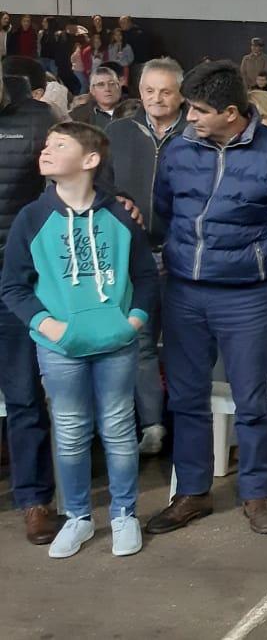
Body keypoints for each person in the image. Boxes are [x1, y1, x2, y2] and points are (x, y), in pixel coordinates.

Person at [145, 60, 267, 537]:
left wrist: (265, 264)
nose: (190, 120)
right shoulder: (180, 150)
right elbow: (163, 212)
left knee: (252, 400)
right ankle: (193, 492)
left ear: (231, 111)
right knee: (185, 397)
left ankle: (256, 495)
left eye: (199, 111)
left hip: (246, 297)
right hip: (184, 291)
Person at [1, 121, 158, 559]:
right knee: (69, 432)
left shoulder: (120, 215)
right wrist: (48, 327)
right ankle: (78, 517)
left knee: (119, 427)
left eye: (59, 145)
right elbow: (13, 285)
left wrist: (134, 321)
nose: (46, 150)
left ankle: (125, 513)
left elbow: (144, 276)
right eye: (46, 144)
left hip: (117, 343)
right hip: (59, 348)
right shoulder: (32, 218)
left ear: (90, 160)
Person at [100, 57, 187, 455]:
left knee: (186, 343)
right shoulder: (117, 131)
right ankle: (152, 426)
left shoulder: (196, 132)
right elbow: (97, 183)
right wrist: (116, 200)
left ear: (181, 93)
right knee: (140, 342)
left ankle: (187, 421)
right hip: (131, 255)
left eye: (165, 91)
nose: (156, 98)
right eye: (150, 90)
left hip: (182, 253)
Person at [0, 57, 63, 545]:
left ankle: (35, 501)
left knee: (23, 396)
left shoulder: (38, 118)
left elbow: (68, 186)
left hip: (15, 285)